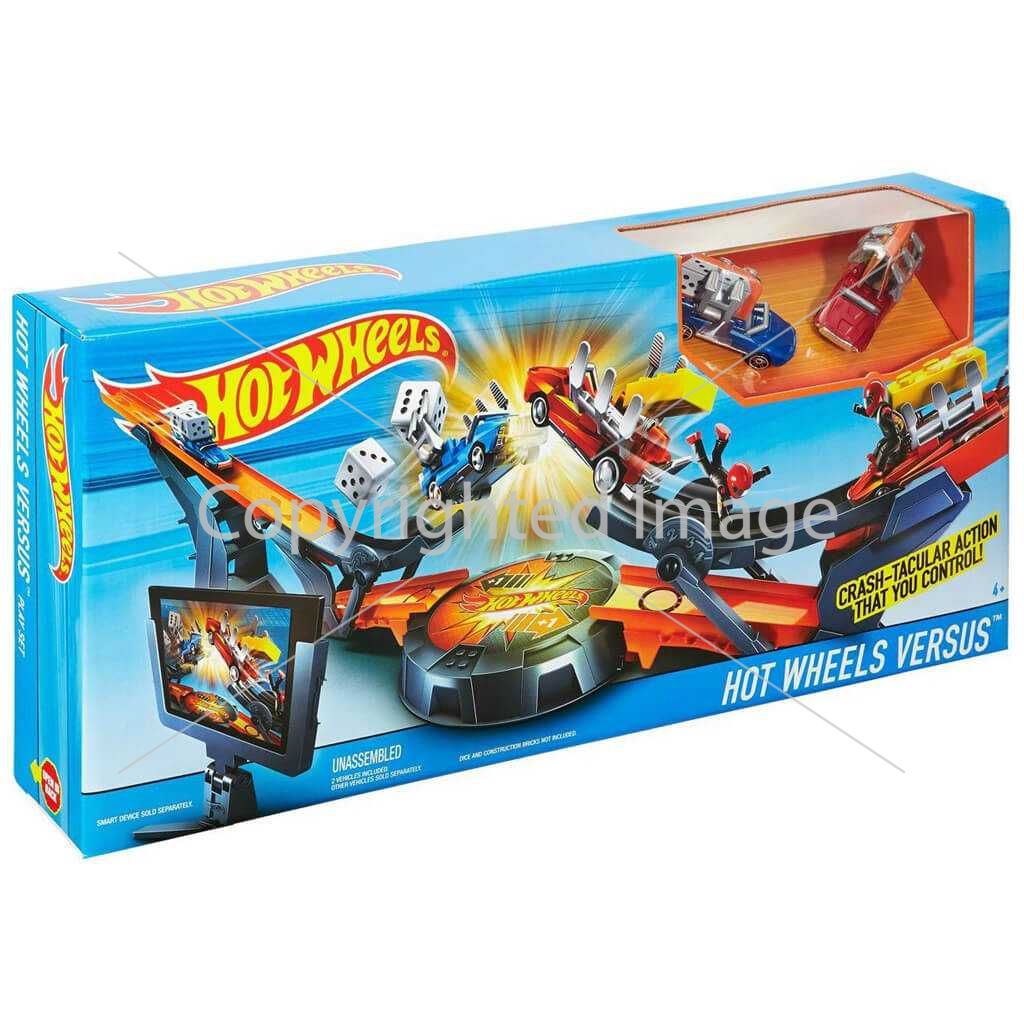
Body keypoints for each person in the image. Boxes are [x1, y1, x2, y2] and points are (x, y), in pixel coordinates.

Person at [686, 423, 771, 517]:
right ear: (733, 485)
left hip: (720, 469)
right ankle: (695, 440)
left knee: (716, 454)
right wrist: (723, 517)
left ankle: (723, 437)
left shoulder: (739, 484)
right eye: (739, 491)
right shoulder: (723, 489)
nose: (740, 493)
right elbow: (721, 504)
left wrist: (764, 472)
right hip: (712, 473)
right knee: (702, 460)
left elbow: (752, 479)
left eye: (742, 491)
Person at [853, 379, 909, 475]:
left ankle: (880, 470)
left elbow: (898, 420)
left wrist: (904, 434)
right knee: (880, 444)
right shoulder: (878, 410)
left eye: (868, 402)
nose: (867, 405)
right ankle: (875, 459)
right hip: (889, 437)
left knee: (884, 450)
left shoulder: (885, 411)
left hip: (895, 439)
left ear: (874, 399)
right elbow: (869, 414)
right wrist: (860, 410)